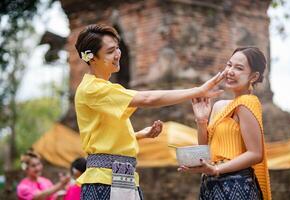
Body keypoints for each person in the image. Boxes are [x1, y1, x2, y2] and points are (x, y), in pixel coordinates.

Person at [74, 24, 225, 200]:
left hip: (122, 179)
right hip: (104, 182)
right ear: (92, 58)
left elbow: (103, 135)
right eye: (110, 51)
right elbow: (148, 99)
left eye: (117, 48)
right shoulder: (93, 89)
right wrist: (198, 91)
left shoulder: (103, 89)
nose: (117, 54)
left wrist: (139, 135)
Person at [178, 47, 272, 200]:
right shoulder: (219, 106)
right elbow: (205, 152)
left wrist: (216, 169)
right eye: (229, 65)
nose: (230, 71)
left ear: (253, 76)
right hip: (210, 185)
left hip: (237, 184)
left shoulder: (247, 103)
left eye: (239, 68)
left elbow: (256, 154)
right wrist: (201, 121)